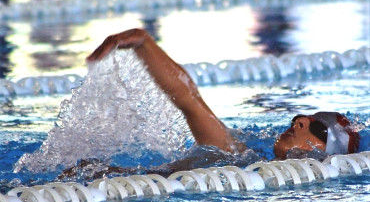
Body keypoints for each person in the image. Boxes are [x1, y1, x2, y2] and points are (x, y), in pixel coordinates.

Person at [86, 28, 360, 160]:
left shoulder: (242, 160)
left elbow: (190, 101)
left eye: (318, 129)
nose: (298, 121)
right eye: (304, 117)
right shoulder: (242, 155)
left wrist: (145, 43)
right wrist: (144, 43)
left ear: (326, 154)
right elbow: (191, 102)